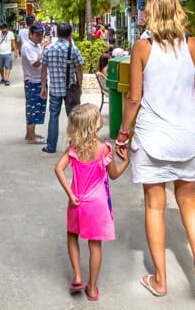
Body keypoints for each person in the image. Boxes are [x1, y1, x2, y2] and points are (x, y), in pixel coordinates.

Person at [115, 0, 195, 299]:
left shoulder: (142, 49)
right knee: (189, 199)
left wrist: (122, 134)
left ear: (151, 15)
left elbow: (133, 98)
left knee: (154, 205)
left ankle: (160, 280)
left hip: (152, 140)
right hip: (189, 138)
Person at [53, 104, 129, 301]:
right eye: (98, 117)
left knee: (72, 236)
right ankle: (93, 289)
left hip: (77, 202)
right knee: (95, 246)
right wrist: (126, 162)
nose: (100, 120)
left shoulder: (74, 149)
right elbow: (112, 175)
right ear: (94, 125)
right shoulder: (104, 149)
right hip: (97, 206)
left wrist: (70, 194)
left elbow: (58, 169)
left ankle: (77, 275)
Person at [40, 23, 84, 154]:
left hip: (54, 89)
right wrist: (80, 86)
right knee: (73, 117)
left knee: (53, 116)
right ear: (70, 34)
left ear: (56, 34)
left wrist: (43, 86)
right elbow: (79, 69)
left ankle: (51, 146)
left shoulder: (49, 49)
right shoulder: (73, 49)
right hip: (70, 89)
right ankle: (75, 147)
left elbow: (43, 70)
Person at [21, 23, 48, 144]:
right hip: (33, 81)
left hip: (37, 80)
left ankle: (30, 133)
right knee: (33, 108)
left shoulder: (35, 45)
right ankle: (31, 136)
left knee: (37, 109)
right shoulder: (28, 46)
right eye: (37, 34)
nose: (40, 37)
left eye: (41, 34)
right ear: (30, 35)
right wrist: (44, 50)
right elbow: (36, 63)